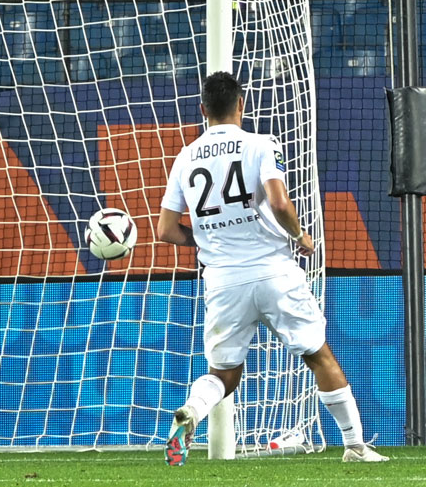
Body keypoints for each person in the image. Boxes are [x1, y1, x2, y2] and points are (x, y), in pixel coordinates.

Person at [157, 71, 388, 465]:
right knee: (318, 356)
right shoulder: (260, 144)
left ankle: (191, 411)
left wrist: (212, 238)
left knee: (225, 374)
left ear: (203, 110)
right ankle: (354, 446)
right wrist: (300, 236)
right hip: (273, 271)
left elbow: (166, 230)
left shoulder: (185, 157)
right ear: (241, 105)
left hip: (223, 280)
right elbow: (279, 202)